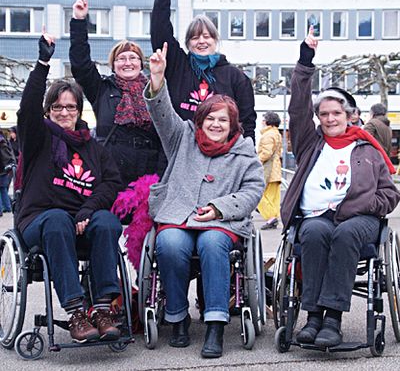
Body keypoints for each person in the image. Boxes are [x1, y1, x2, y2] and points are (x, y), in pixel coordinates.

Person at [281, 26, 400, 348]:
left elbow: (390, 195)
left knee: (345, 234)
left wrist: (364, 206)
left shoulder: (368, 149)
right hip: (317, 214)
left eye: (337, 113)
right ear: (318, 117)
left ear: (350, 116)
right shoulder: (310, 143)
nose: (331, 118)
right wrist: (306, 59)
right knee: (316, 234)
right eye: (324, 114)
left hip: (358, 218)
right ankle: (313, 316)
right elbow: (297, 105)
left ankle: (332, 318)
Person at [144, 43, 264, 358]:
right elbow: (161, 113)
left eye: (222, 120)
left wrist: (220, 208)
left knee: (212, 244)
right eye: (210, 119)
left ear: (232, 124)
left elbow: (254, 188)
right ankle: (178, 316)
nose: (215, 125)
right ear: (200, 120)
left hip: (221, 222)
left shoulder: (244, 150)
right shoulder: (182, 137)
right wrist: (157, 77)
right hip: (179, 214)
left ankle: (215, 324)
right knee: (168, 243)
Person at [17, 31, 124, 343]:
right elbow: (26, 109)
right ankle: (76, 311)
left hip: (83, 221)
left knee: (107, 221)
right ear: (49, 109)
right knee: (57, 219)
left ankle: (102, 308)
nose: (65, 112)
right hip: (40, 221)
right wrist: (42, 64)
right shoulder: (39, 138)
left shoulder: (92, 147)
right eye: (58, 107)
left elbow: (111, 183)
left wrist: (89, 210)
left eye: (71, 107)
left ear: (79, 110)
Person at [150, 0, 256, 143]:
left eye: (207, 36)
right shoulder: (178, 66)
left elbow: (247, 121)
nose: (201, 41)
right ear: (188, 43)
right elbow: (161, 31)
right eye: (195, 37)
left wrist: (245, 157)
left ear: (215, 40)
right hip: (180, 150)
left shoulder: (235, 77)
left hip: (222, 155)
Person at [69, 0, 166, 187]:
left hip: (148, 171)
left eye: (133, 57)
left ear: (141, 63)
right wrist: (79, 21)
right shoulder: (102, 88)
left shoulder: (154, 89)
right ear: (113, 65)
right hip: (110, 170)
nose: (127, 62)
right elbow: (80, 64)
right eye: (121, 58)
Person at [257, 111, 282, 229]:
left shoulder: (268, 135)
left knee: (260, 195)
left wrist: (256, 161)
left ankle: (271, 218)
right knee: (273, 197)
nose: (261, 122)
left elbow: (266, 153)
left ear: (267, 122)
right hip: (276, 169)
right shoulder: (277, 133)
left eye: (263, 120)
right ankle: (274, 217)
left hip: (268, 169)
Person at [0, 132, 15, 215]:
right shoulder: (4, 140)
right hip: (4, 169)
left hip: (2, 169)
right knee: (3, 189)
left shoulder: (1, 141)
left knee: (2, 189)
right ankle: (7, 207)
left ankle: (2, 209)